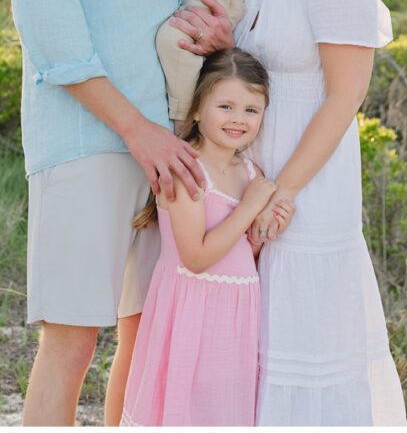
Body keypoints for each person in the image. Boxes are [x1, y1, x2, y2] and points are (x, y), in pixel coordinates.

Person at [0, 0, 231, 426]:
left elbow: (162, 12)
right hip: (91, 141)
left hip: (165, 146)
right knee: (72, 338)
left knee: (145, 330)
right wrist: (139, 131)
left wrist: (210, 30)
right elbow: (52, 33)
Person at [235, 0, 407, 424]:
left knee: (303, 340)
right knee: (250, 343)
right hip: (246, 184)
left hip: (305, 186)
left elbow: (345, 96)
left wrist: (278, 194)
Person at [121, 49, 294, 426]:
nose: (238, 119)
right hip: (191, 312)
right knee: (189, 409)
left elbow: (243, 251)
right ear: (198, 109)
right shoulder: (187, 171)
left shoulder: (250, 171)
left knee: (224, 411)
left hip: (238, 312)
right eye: (226, 106)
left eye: (251, 110)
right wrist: (250, 207)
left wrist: (266, 226)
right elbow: (196, 258)